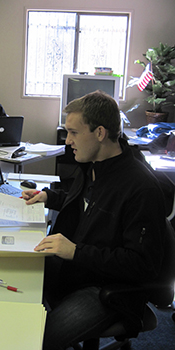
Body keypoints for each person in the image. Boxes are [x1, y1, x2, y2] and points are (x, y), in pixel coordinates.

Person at [22, 90, 167, 350]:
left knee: (35, 341)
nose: (68, 141)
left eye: (74, 132)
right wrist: (49, 197)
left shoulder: (141, 187)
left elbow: (143, 264)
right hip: (78, 269)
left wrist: (76, 252)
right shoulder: (95, 163)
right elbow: (86, 201)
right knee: (16, 285)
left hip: (107, 290)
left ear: (100, 133)